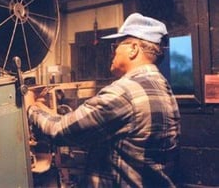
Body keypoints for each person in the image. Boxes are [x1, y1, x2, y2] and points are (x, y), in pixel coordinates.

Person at [25, 13, 181, 188]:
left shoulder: (125, 92)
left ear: (133, 49)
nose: (113, 51)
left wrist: (31, 107)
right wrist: (46, 109)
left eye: (116, 45)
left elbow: (60, 131)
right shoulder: (162, 86)